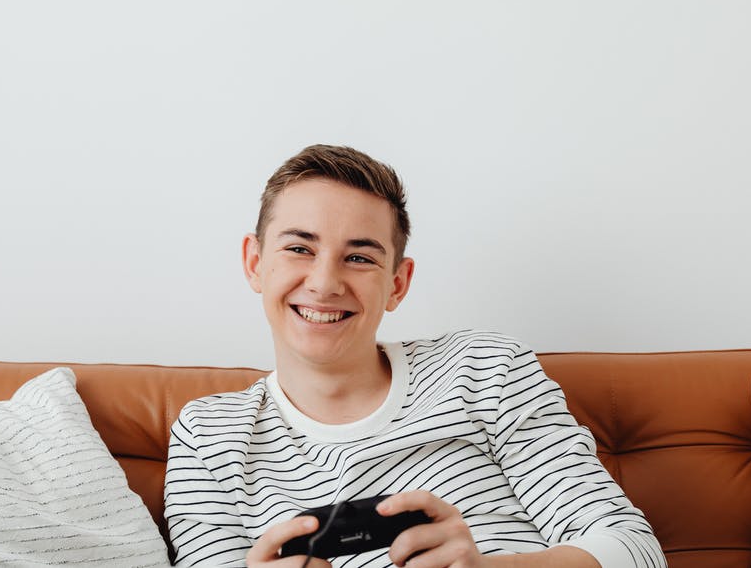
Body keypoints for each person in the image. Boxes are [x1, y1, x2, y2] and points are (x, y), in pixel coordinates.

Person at [164, 145, 665, 568]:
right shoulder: (210, 435)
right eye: (299, 248)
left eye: (359, 257)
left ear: (397, 284)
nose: (324, 282)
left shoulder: (484, 367)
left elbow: (635, 551)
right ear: (255, 263)